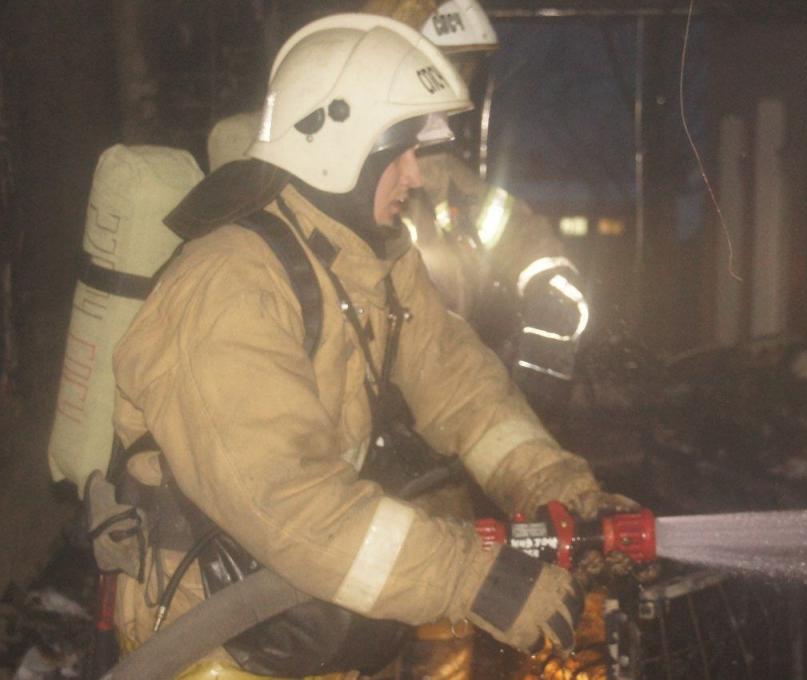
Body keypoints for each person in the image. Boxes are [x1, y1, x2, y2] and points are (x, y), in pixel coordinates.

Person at [109, 13, 632, 679]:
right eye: (400, 152)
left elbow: (457, 383)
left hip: (298, 612)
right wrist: (474, 580)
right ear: (335, 146)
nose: (416, 175)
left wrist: (557, 488)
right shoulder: (228, 285)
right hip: (212, 639)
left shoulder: (367, 259)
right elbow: (287, 500)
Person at [207, 0, 591, 406]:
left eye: (465, 69)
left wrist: (548, 284)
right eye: (444, 65)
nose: (451, 83)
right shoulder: (294, 165)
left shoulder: (432, 166)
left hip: (430, 368)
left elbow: (506, 226)